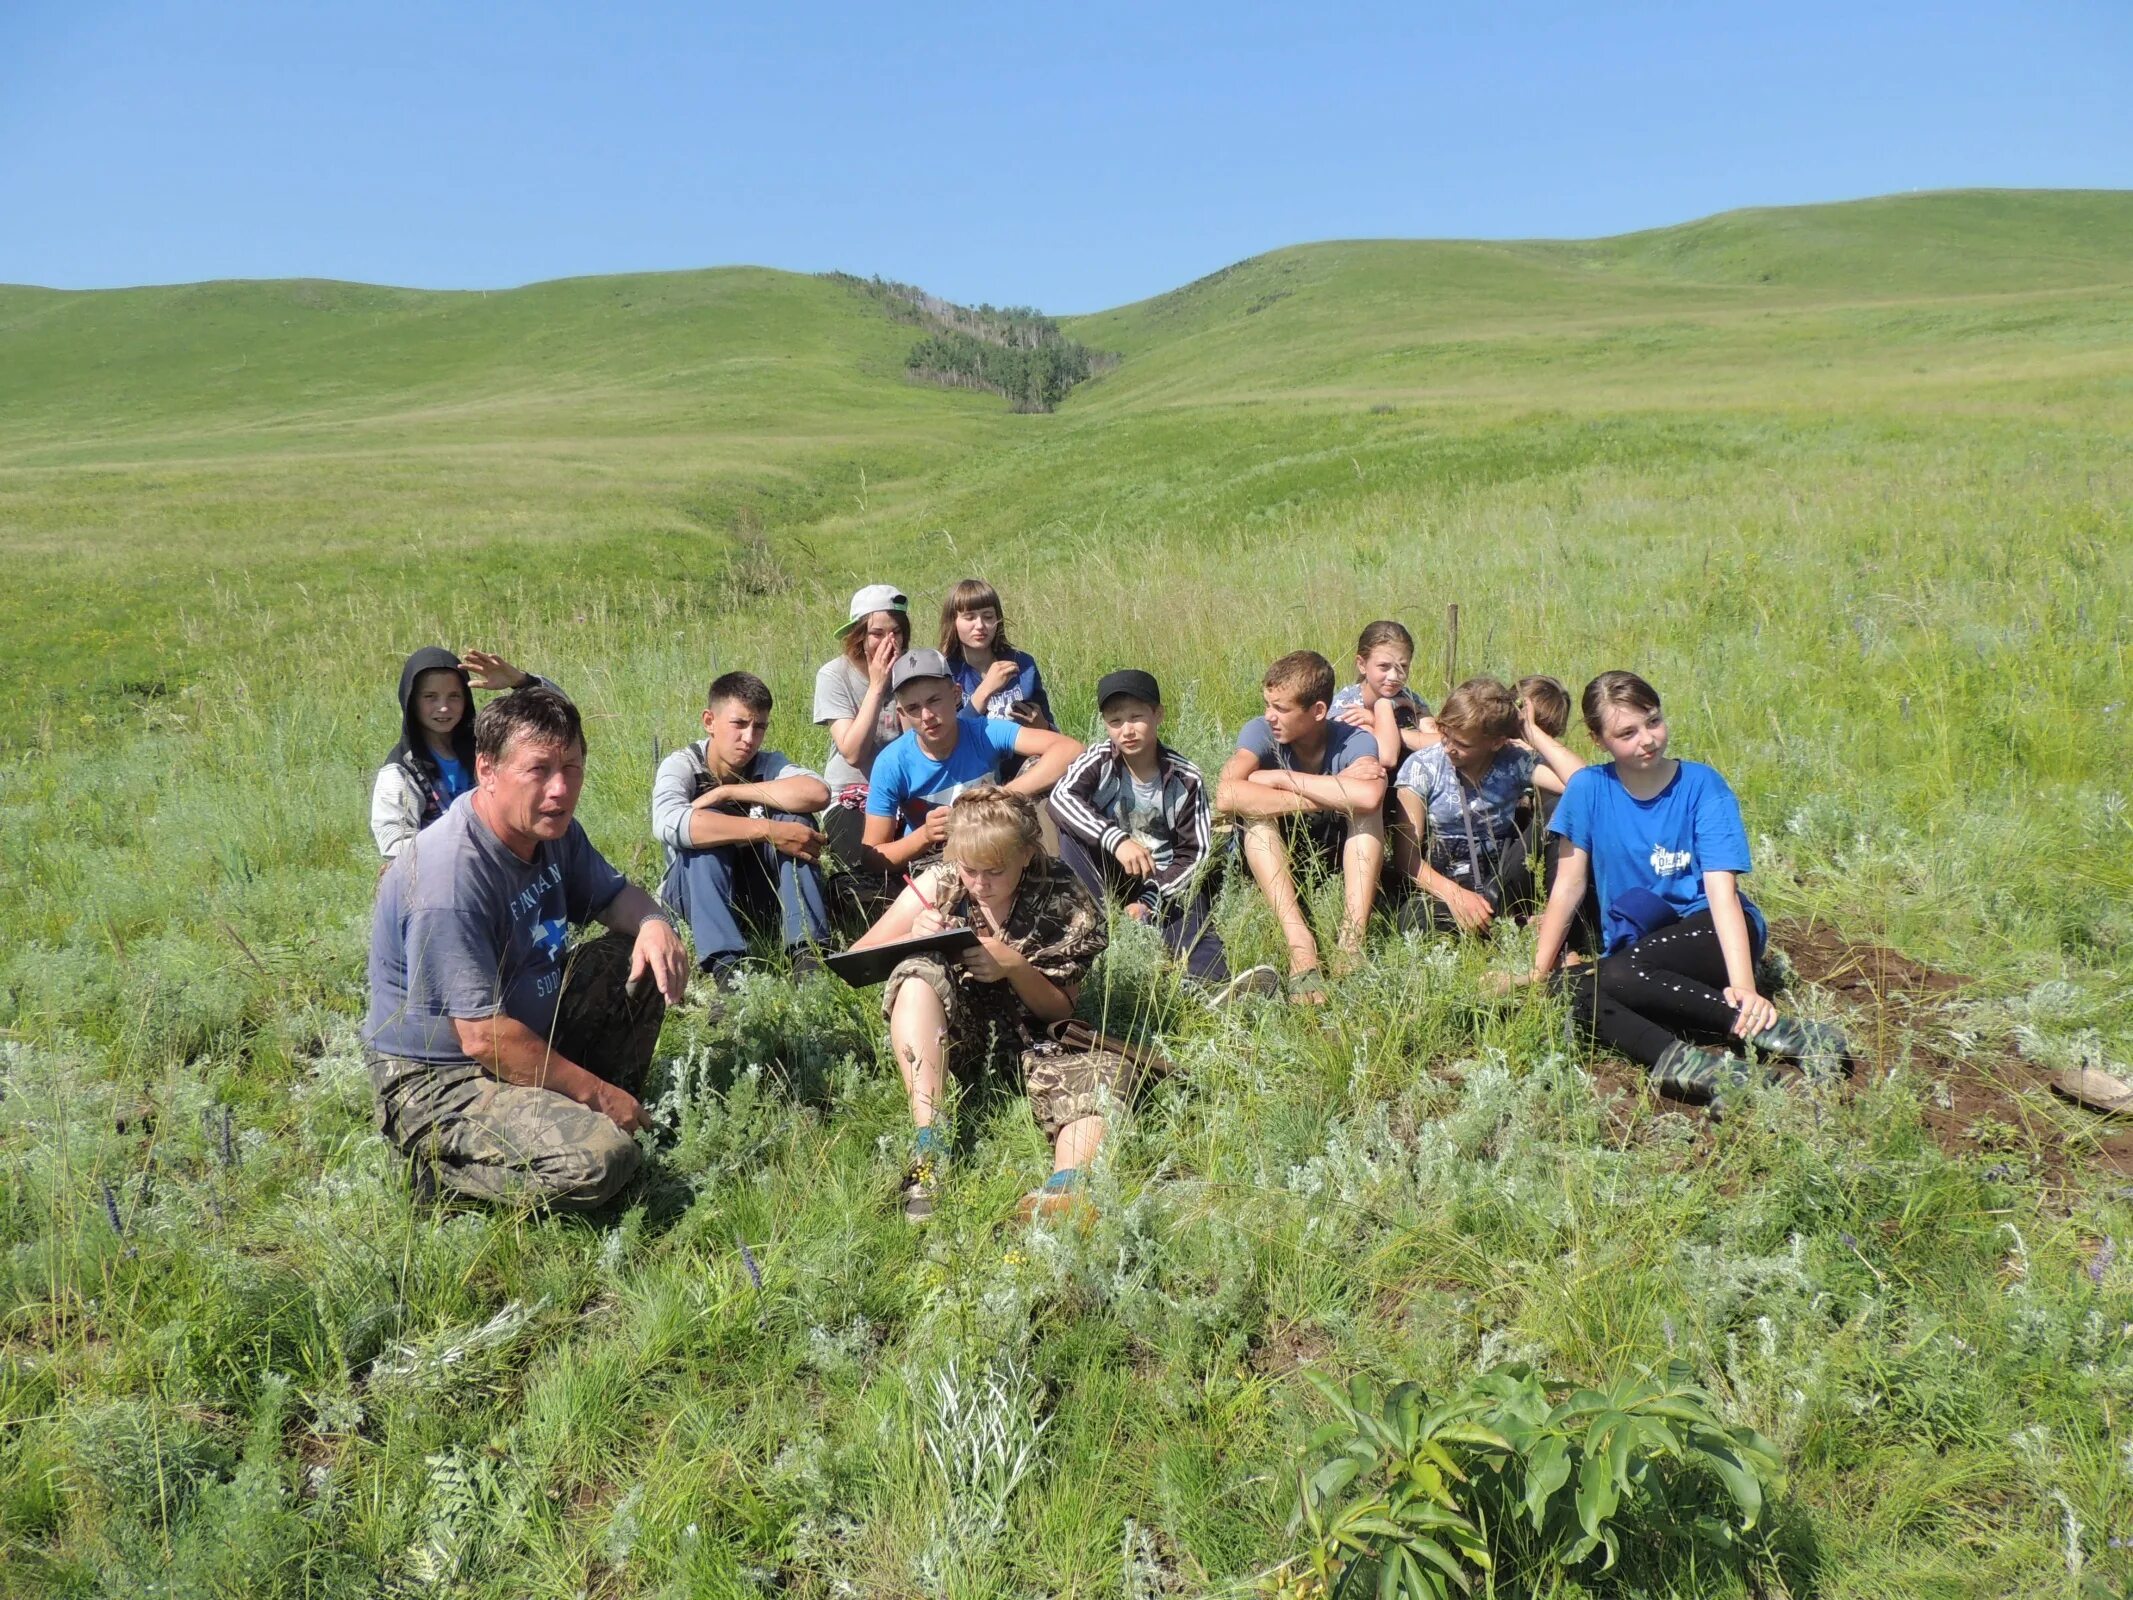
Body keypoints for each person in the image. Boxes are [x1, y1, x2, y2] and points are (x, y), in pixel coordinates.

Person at [364, 686, 690, 1209]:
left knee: (638, 955)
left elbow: (613, 897)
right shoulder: (449, 878)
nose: (560, 789)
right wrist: (598, 1095)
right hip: (440, 1080)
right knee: (603, 1161)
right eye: (538, 770)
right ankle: (438, 1173)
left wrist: (653, 922)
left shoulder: (550, 829)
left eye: (572, 767)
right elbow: (482, 1038)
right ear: (487, 770)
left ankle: (613, 1111)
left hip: (525, 1032)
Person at [1525, 671, 1850, 1102]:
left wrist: (1745, 986)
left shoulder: (1702, 786)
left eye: (1653, 721)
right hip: (1639, 946)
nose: (1647, 739)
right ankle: (1706, 1071)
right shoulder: (1588, 789)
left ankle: (1769, 1029)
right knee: (1565, 988)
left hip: (1711, 928)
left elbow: (1721, 895)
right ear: (1597, 738)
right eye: (1627, 732)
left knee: (1620, 972)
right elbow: (1567, 888)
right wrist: (1538, 971)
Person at [850, 786, 1133, 1223]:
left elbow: (1060, 1014)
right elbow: (859, 955)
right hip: (953, 1037)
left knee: (1105, 1074)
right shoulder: (941, 882)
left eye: (995, 871)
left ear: (1027, 854)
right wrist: (916, 935)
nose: (979, 884)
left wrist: (1016, 967)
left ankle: (1065, 1192)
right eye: (969, 869)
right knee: (915, 971)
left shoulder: (1066, 899)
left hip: (1037, 1041)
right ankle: (931, 1145)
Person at [1047, 669, 1278, 1000]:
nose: (1126, 730)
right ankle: (1088, 935)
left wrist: (1152, 897)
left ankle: (1213, 987)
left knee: (1188, 908)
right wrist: (1117, 840)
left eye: (1136, 717)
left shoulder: (1186, 777)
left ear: (1158, 715)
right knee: (1073, 833)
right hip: (1106, 867)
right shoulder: (1099, 760)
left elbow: (1194, 853)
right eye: (1115, 721)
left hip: (1160, 877)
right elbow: (1061, 798)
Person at [1214, 651, 1388, 1003]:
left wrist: (1276, 779)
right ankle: (1300, 945)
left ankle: (1351, 943)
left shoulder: (1354, 740)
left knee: (1369, 814)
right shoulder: (1260, 732)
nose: (1269, 716)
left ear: (1318, 711)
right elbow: (1226, 794)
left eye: (1281, 708)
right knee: (1256, 817)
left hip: (1330, 849)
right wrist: (1330, 789)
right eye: (1267, 704)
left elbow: (1369, 795)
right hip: (1276, 851)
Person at [652, 671, 834, 987]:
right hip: (695, 895)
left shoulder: (767, 764)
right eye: (739, 724)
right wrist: (768, 830)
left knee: (798, 823)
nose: (749, 738)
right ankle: (728, 974)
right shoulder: (682, 765)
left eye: (759, 726)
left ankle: (808, 956)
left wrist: (730, 792)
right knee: (706, 838)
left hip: (756, 895)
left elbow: (817, 793)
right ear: (709, 721)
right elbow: (669, 822)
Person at [860, 649, 1082, 874]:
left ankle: (1057, 876)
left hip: (998, 842)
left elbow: (1070, 749)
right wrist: (924, 835)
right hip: (936, 862)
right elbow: (872, 857)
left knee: (1040, 771)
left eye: (934, 701)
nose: (926, 716)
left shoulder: (984, 731)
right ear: (902, 713)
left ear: (956, 695)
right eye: (913, 708)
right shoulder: (891, 763)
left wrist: (1001, 796)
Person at [1394, 676, 1583, 935]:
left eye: (1462, 744)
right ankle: (1515, 925)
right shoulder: (1421, 767)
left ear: (1496, 742)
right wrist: (1456, 896)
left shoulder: (1514, 762)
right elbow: (1407, 859)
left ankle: (1552, 922)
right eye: (1444, 734)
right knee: (1414, 920)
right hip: (1446, 882)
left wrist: (1531, 732)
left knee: (1562, 806)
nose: (1448, 748)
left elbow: (1585, 785)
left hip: (1503, 875)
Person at [370, 647, 561, 861]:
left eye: (454, 696)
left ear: (466, 699)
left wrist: (521, 681)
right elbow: (395, 846)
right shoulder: (400, 771)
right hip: (446, 878)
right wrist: (466, 848)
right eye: (430, 697)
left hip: (512, 864)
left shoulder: (488, 743)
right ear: (411, 701)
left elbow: (560, 720)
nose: (443, 707)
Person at [812, 585, 912, 891]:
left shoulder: (913, 669)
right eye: (877, 634)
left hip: (904, 793)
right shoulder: (834, 675)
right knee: (871, 866)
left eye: (896, 632)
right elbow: (853, 752)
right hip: (850, 797)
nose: (889, 642)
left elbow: (921, 745)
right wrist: (877, 686)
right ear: (859, 636)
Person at [939, 578, 1055, 734]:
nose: (980, 626)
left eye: (987, 616)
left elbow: (1053, 733)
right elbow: (948, 737)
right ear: (953, 622)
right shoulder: (946, 674)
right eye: (969, 617)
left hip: (1027, 754)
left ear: (998, 619)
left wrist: (1042, 725)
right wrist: (986, 689)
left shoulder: (1023, 664)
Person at [1329, 620, 1436, 769]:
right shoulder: (1349, 706)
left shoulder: (1409, 698)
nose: (1393, 676)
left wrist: (1375, 721)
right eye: (1384, 666)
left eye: (1402, 667)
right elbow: (1387, 757)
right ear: (1362, 664)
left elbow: (1444, 743)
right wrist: (1384, 709)